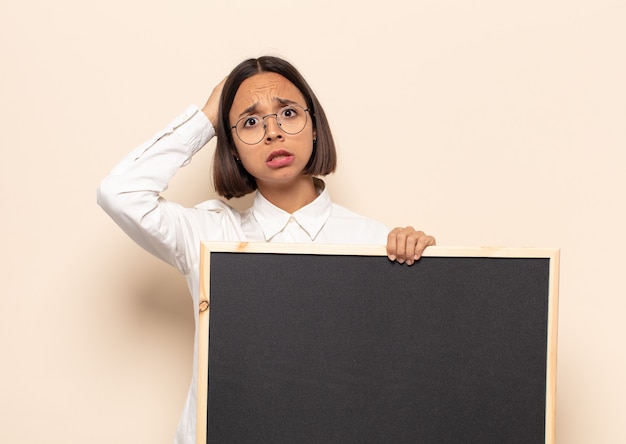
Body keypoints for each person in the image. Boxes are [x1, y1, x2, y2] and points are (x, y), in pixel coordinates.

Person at [97, 56, 435, 444]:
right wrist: (207, 118)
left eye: (288, 113)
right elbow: (118, 193)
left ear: (314, 128)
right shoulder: (209, 234)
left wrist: (427, 274)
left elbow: (409, 380)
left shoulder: (375, 243)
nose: (273, 132)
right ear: (233, 147)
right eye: (251, 122)